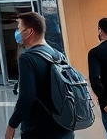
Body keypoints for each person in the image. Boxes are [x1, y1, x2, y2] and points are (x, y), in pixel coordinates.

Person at [5, 11, 72, 139]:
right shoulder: (58, 54)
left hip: (39, 129)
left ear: (29, 31)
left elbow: (26, 97)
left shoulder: (27, 58)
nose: (17, 33)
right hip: (64, 125)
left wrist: (11, 126)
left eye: (19, 28)